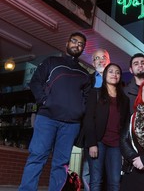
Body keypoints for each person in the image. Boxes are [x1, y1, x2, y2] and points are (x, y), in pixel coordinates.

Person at [19, 32, 91, 191]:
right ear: (67, 43)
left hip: (71, 124)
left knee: (62, 163)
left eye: (80, 44)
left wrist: (80, 111)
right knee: (37, 157)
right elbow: (36, 81)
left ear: (82, 49)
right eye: (74, 41)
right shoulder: (52, 62)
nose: (76, 45)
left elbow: (86, 98)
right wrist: (45, 101)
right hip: (47, 119)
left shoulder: (84, 74)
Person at [84, 63, 130, 191]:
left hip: (116, 145)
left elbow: (126, 124)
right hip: (98, 142)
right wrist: (92, 143)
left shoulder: (124, 99)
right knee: (96, 181)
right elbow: (88, 119)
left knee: (115, 182)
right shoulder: (96, 93)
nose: (114, 74)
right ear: (105, 75)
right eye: (111, 71)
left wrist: (124, 147)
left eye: (117, 72)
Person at [81, 48, 111, 191]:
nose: (100, 60)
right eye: (96, 58)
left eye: (103, 57)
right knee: (88, 171)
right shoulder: (87, 80)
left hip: (110, 133)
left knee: (108, 173)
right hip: (92, 132)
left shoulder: (116, 80)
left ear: (108, 60)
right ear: (93, 63)